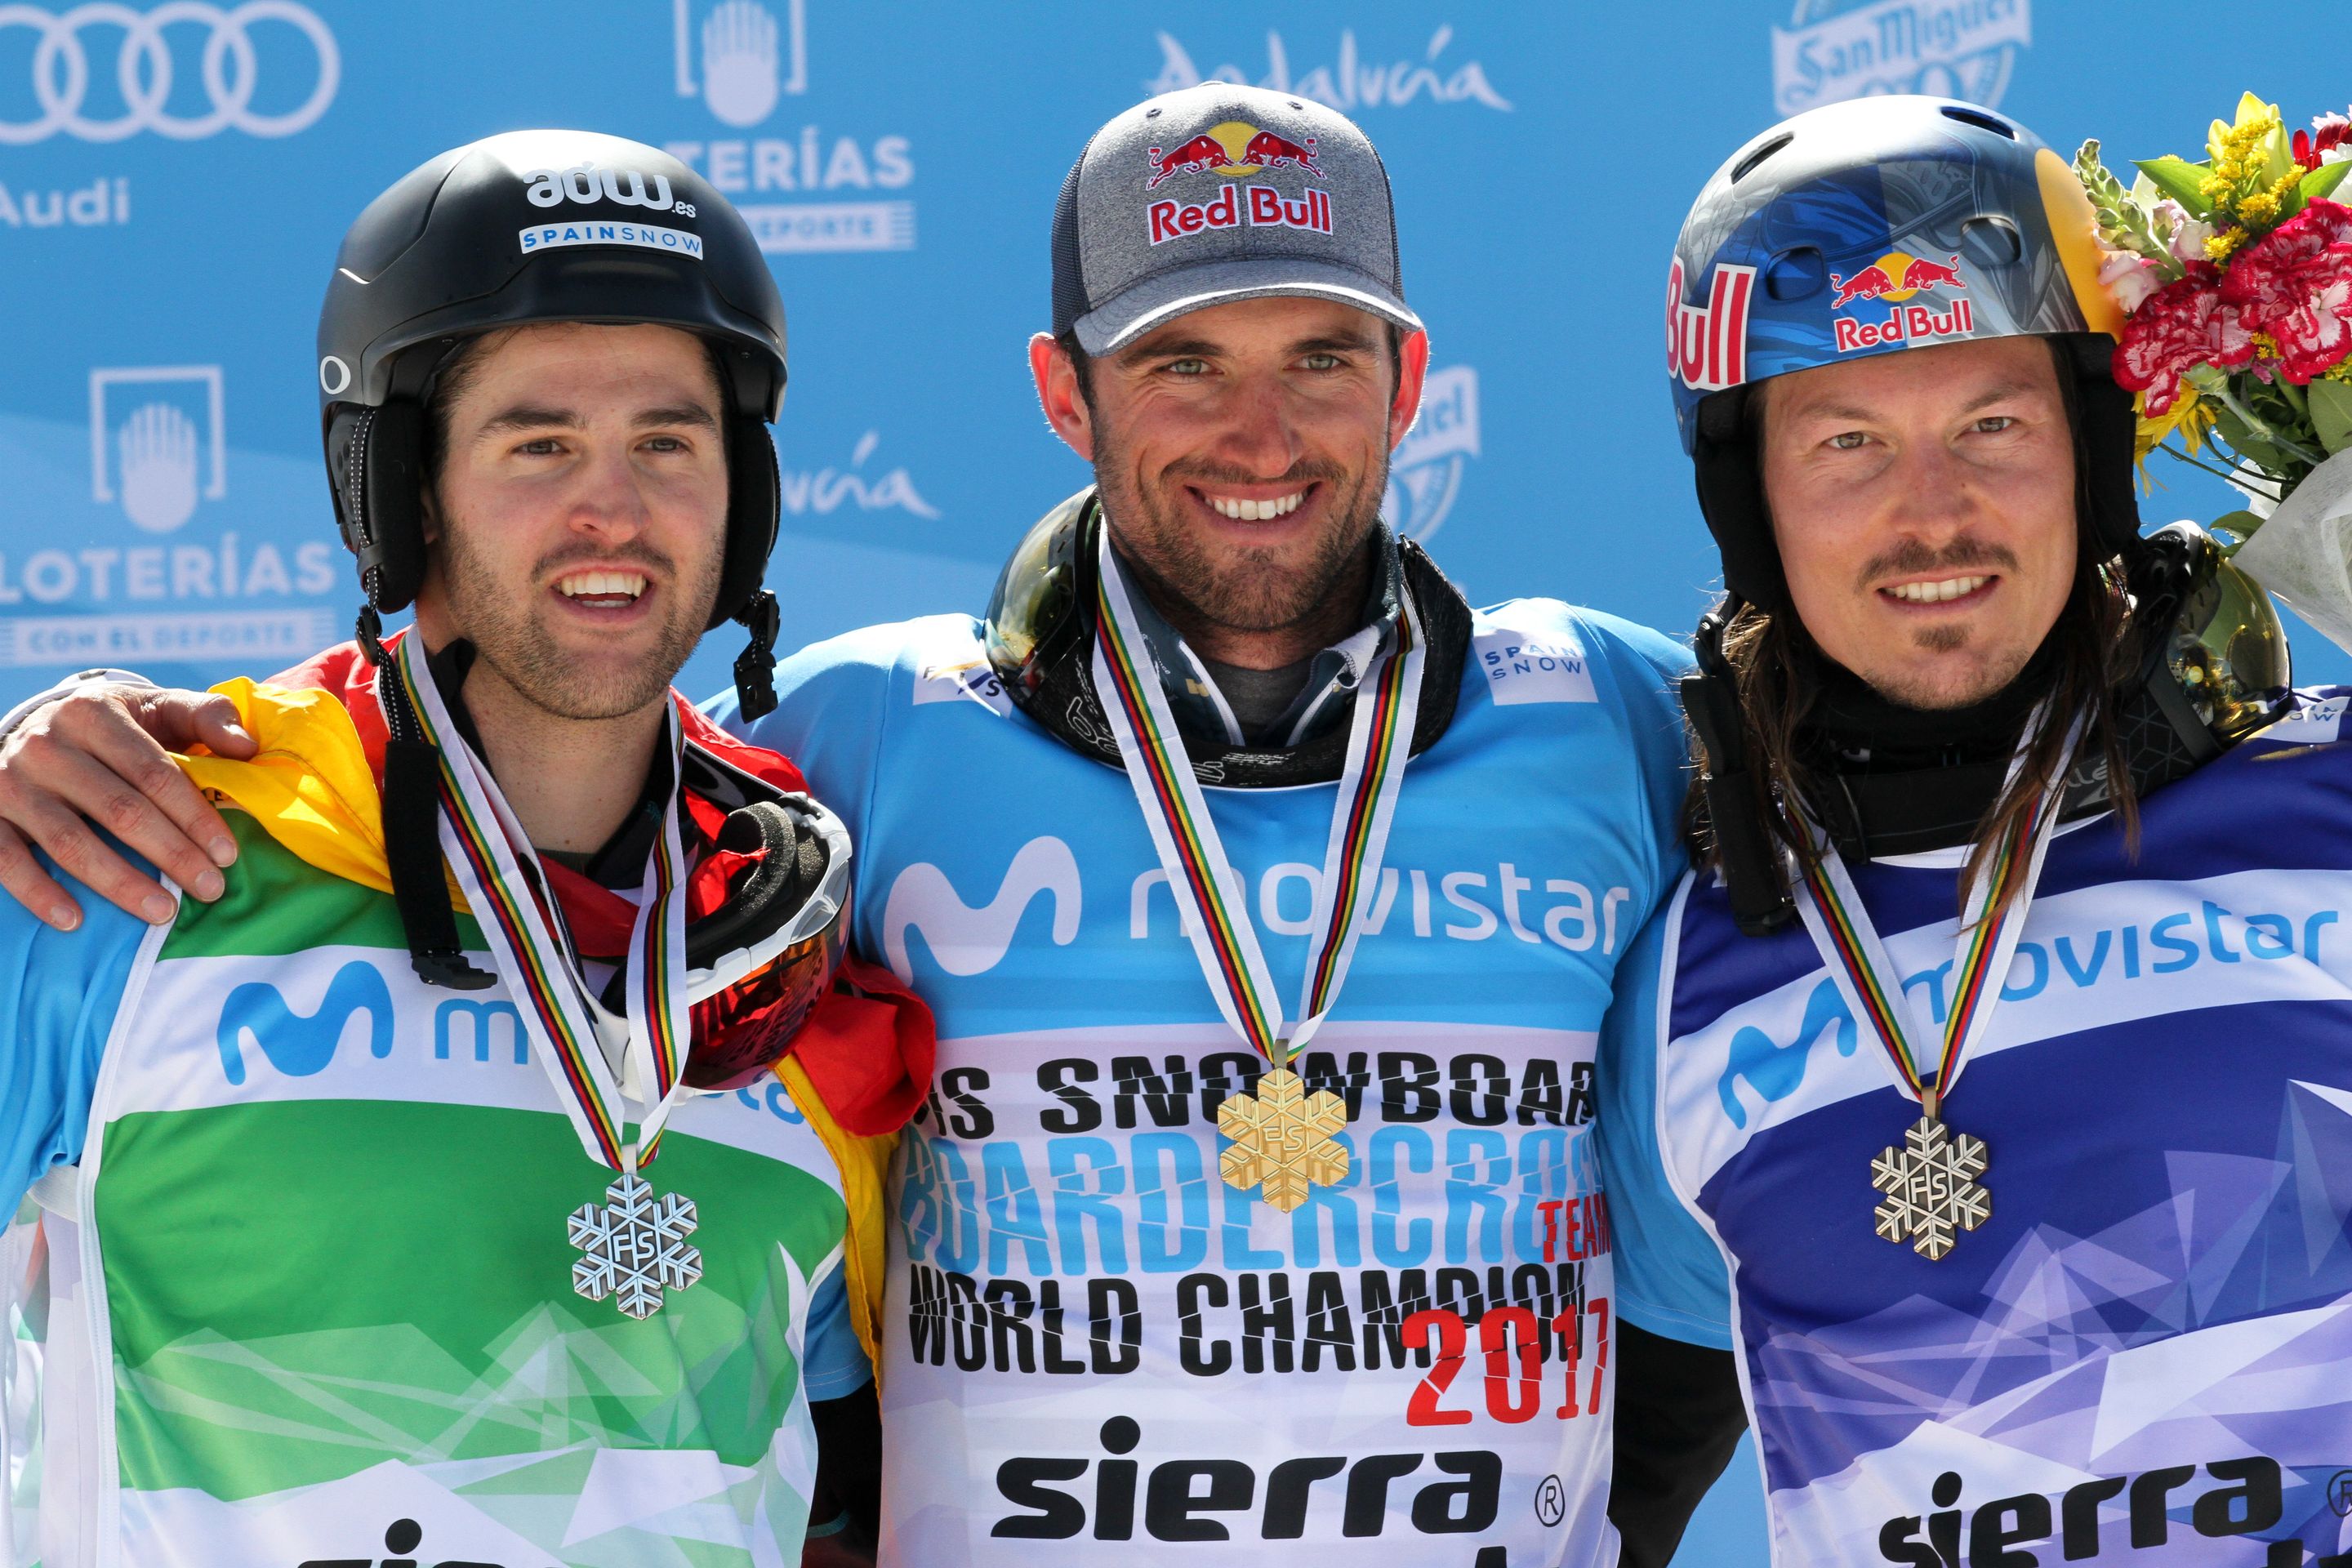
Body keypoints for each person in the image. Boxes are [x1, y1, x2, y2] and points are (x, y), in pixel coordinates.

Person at [0, 88, 1738, 1566]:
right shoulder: (847, 748)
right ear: (1068, 395)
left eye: (1322, 355)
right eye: (1184, 358)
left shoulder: (1622, 723)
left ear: (1408, 375)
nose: (1257, 428)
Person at [0, 129, 933, 1566]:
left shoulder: (780, 942)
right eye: (537, 442)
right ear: (404, 485)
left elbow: (831, 1495)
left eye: (669, 442)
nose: (611, 509)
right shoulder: (132, 864)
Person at [1599, 94, 2350, 1566]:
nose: (1932, 513)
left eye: (1993, 424)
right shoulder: (1680, 994)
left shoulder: (2332, 813)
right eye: (1848, 442)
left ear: (2095, 449)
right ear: (1747, 499)